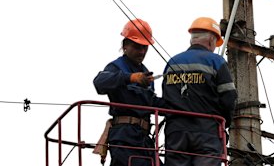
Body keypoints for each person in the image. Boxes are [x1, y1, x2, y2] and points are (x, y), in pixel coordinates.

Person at [162, 17, 237, 166]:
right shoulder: (216, 61)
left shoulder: (172, 63)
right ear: (211, 40)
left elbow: (166, 97)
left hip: (175, 132)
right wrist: (225, 122)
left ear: (192, 40)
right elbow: (229, 97)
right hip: (207, 132)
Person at [93, 18, 165, 166]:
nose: (142, 51)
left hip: (144, 139)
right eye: (138, 46)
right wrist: (130, 78)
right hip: (124, 136)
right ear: (125, 45)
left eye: (145, 47)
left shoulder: (144, 73)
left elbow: (151, 103)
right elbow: (99, 83)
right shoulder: (116, 67)